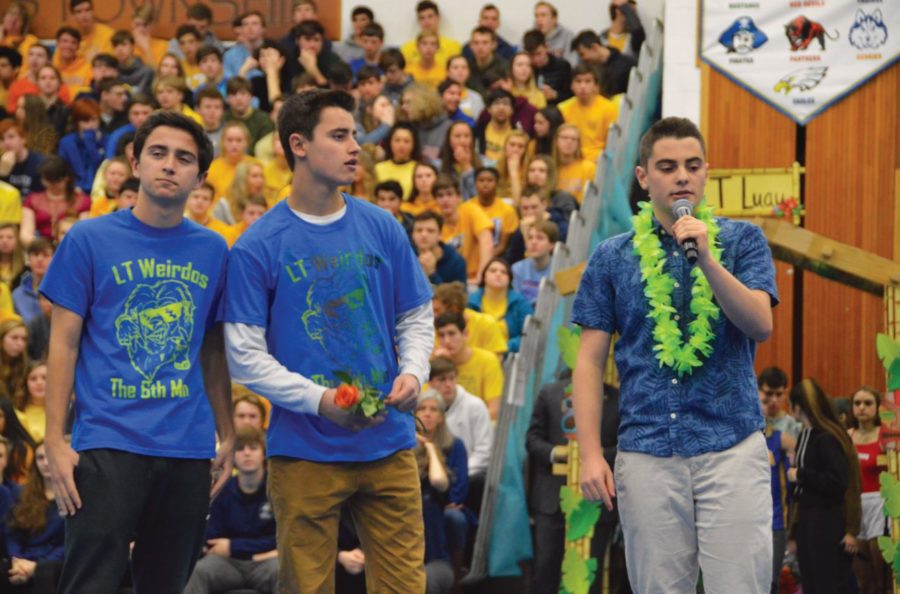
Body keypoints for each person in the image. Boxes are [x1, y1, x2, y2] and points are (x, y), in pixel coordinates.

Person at [223, 89, 433, 593]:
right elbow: (245, 356)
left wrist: (414, 372)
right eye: (338, 136)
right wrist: (319, 402)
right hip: (304, 452)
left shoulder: (383, 226)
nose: (354, 147)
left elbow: (416, 315)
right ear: (298, 144)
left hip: (389, 444)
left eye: (355, 135)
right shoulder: (258, 245)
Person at [572, 117, 778, 593]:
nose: (681, 176)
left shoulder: (743, 241)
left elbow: (760, 324)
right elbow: (587, 363)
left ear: (706, 173)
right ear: (645, 177)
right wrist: (588, 454)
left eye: (691, 165)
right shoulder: (611, 256)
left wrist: (706, 259)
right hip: (646, 451)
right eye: (667, 167)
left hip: (731, 444)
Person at [40, 110, 234, 593]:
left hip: (187, 449)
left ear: (200, 177)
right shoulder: (88, 238)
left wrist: (227, 433)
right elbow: (62, 343)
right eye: (159, 153)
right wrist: (55, 440)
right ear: (135, 161)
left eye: (184, 158)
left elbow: (212, 348)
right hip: (107, 443)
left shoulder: (214, 249)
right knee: (90, 584)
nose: (170, 165)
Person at [184, 427, 278, 594]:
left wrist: (233, 546)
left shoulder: (277, 491)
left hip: (267, 562)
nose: (247, 453)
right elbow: (213, 539)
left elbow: (280, 539)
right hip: (228, 563)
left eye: (253, 448)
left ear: (263, 453)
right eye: (240, 449)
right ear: (232, 456)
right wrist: (243, 549)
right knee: (197, 572)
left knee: (284, 571)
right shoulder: (223, 490)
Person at [788, 379, 857, 594]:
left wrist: (801, 474)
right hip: (808, 519)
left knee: (825, 583)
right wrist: (795, 531)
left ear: (797, 407)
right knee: (811, 582)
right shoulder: (805, 435)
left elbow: (839, 481)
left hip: (825, 520)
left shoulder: (827, 438)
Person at [415, 390, 467, 592]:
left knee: (454, 517)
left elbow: (444, 482)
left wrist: (429, 447)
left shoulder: (454, 445)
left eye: (433, 409)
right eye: (422, 408)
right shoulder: (406, 447)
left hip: (442, 503)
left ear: (441, 416)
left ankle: (457, 571)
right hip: (422, 504)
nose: (427, 414)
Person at [3, 442, 65, 592]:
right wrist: (18, 561)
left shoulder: (75, 497)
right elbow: (12, 534)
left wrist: (37, 567)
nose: (45, 462)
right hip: (22, 561)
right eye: (40, 458)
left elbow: (69, 542)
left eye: (50, 457)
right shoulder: (21, 494)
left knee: (47, 574)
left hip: (55, 564)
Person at [848, 386, 886, 594]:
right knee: (862, 578)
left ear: (877, 407)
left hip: (880, 503)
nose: (862, 408)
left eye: (868, 403)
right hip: (855, 505)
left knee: (880, 572)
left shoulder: (886, 435)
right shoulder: (847, 436)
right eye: (857, 403)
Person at [434, 312, 504, 419]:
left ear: (465, 334)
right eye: (441, 335)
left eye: (452, 334)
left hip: (477, 427)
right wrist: (441, 365)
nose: (446, 341)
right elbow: (425, 405)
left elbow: (494, 411)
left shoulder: (488, 361)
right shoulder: (434, 362)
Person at [467, 257, 532, 353]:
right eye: (493, 271)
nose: (498, 274)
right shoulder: (470, 302)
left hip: (509, 357)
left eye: (504, 272)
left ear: (510, 279)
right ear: (484, 276)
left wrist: (505, 347)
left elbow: (529, 335)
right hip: (476, 353)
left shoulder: (520, 303)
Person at [557, 64, 618, 163]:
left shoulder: (609, 108)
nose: (582, 86)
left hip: (598, 161)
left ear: (595, 86)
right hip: (570, 159)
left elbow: (613, 143)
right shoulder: (563, 108)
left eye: (588, 81)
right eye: (578, 81)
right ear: (571, 85)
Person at [570, 29, 637, 98]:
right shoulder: (591, 69)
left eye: (582, 54)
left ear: (594, 47)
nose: (582, 59)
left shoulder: (628, 64)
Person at [412, 211, 466, 285]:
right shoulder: (405, 257)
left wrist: (432, 274)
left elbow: (458, 295)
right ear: (412, 234)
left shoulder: (456, 262)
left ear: (440, 235)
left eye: (430, 231)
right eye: (419, 230)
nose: (424, 234)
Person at [512, 220, 557, 305]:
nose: (533, 242)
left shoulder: (559, 268)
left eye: (540, 238)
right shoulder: (517, 269)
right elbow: (517, 304)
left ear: (552, 245)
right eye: (530, 238)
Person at [522, 30, 572, 106]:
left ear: (546, 47)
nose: (536, 59)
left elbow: (571, 97)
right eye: (531, 55)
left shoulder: (563, 66)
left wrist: (555, 95)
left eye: (539, 53)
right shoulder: (525, 68)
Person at [759, 366, 802, 440]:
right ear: (758, 391)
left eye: (779, 394)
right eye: (769, 393)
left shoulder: (794, 426)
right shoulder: (750, 423)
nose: (774, 400)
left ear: (785, 393)